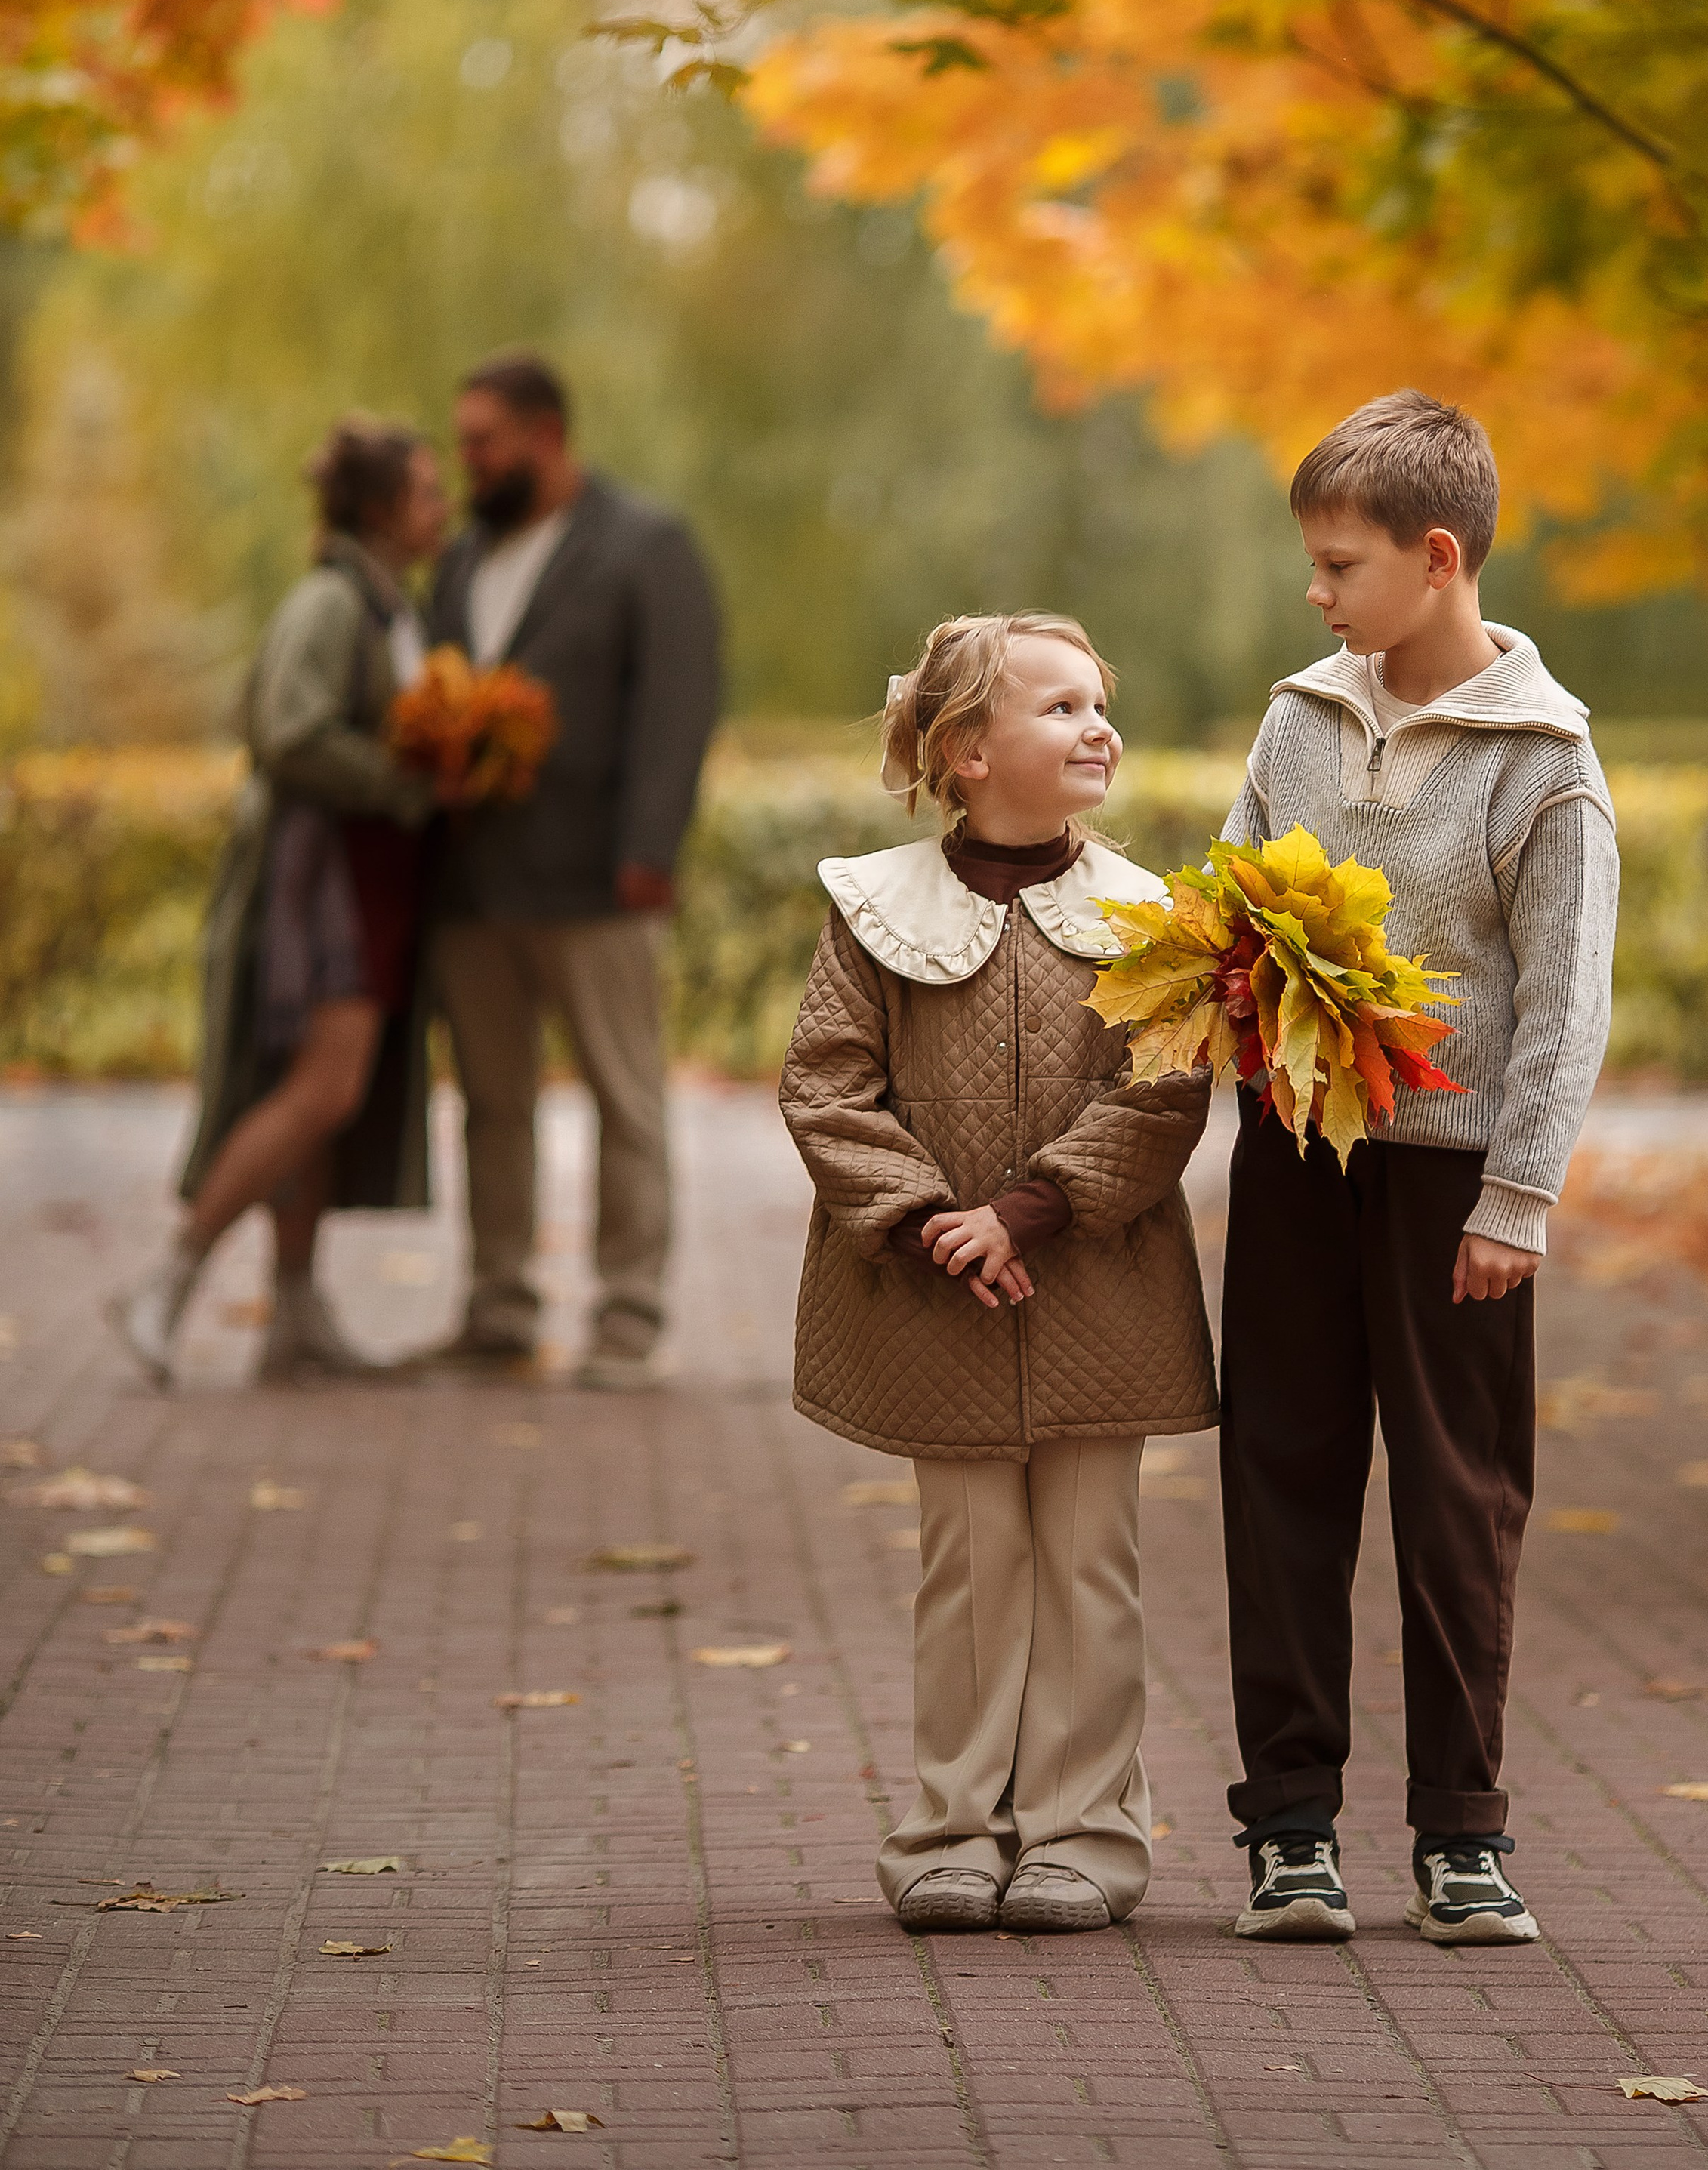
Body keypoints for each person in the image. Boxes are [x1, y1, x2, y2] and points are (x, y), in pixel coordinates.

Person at [1217, 390, 1618, 1948]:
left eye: (1338, 566)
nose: (1314, 595)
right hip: (1294, 1157)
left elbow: (1560, 994)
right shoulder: (1296, 718)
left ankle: (1460, 1832)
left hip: (1454, 1185)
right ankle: (1287, 1828)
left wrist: (1516, 1198)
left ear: (1434, 558)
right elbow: (1230, 896)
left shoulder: (1545, 761)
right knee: (1281, 1474)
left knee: (1456, 1495)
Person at [782, 612, 1217, 1935]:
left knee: (1091, 1556)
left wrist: (1025, 1212)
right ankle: (953, 1826)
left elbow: (1170, 1086)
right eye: (1063, 709)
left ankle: (1086, 1830)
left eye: (1101, 703)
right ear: (967, 751)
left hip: (1099, 1289)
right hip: (936, 1297)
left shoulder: (1152, 915)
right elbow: (827, 1083)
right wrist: (928, 1220)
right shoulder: (875, 910)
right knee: (970, 1559)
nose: (1101, 729)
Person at [110, 416, 450, 1386]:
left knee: (327, 1099)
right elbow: (288, 731)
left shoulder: (389, 605)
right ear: (385, 509)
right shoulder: (333, 604)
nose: (443, 507)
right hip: (323, 887)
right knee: (319, 1089)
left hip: (367, 883)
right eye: (427, 491)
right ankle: (167, 1281)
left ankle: (294, 1310)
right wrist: (409, 783)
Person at [425, 351, 721, 1390]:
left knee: (624, 1099)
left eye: (482, 441)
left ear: (545, 434)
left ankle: (627, 1320)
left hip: (602, 880)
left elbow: (678, 704)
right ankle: (498, 1310)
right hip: (475, 886)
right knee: (490, 1105)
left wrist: (650, 848)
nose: (469, 462)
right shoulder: (463, 559)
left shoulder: (646, 544)